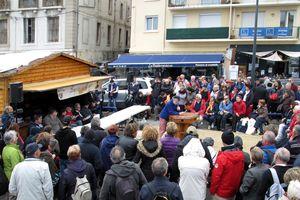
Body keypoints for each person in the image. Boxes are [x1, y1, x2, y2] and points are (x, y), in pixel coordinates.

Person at [210, 131, 245, 200]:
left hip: (221, 193)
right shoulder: (241, 155)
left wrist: (212, 191)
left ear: (223, 141)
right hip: (233, 192)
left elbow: (216, 177)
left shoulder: (222, 157)